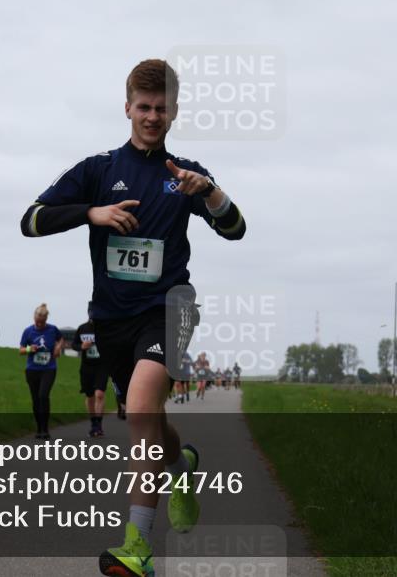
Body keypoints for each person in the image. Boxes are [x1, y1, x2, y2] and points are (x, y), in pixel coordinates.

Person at [21, 59, 246, 577]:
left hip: (171, 307)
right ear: (127, 108)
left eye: (161, 109)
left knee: (142, 406)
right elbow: (30, 220)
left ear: (174, 112)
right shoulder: (97, 170)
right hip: (112, 319)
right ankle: (181, 467)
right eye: (144, 107)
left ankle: (137, 546)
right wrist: (91, 212)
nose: (152, 117)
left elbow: (236, 229)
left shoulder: (185, 175)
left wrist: (210, 192)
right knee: (149, 420)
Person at [19, 303, 63, 440]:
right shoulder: (28, 331)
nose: (39, 324)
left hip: (49, 369)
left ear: (46, 320)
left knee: (43, 396)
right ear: (34, 317)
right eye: (37, 321)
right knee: (36, 399)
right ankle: (39, 428)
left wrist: (58, 348)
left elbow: (61, 339)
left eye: (42, 322)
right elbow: (21, 350)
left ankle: (45, 428)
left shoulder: (52, 329)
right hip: (32, 369)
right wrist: (29, 349)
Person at [73, 309, 107, 437]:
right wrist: (81, 346)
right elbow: (74, 344)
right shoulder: (82, 328)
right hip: (86, 367)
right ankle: (93, 423)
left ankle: (99, 425)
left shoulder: (105, 328)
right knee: (90, 396)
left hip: (101, 366)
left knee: (100, 394)